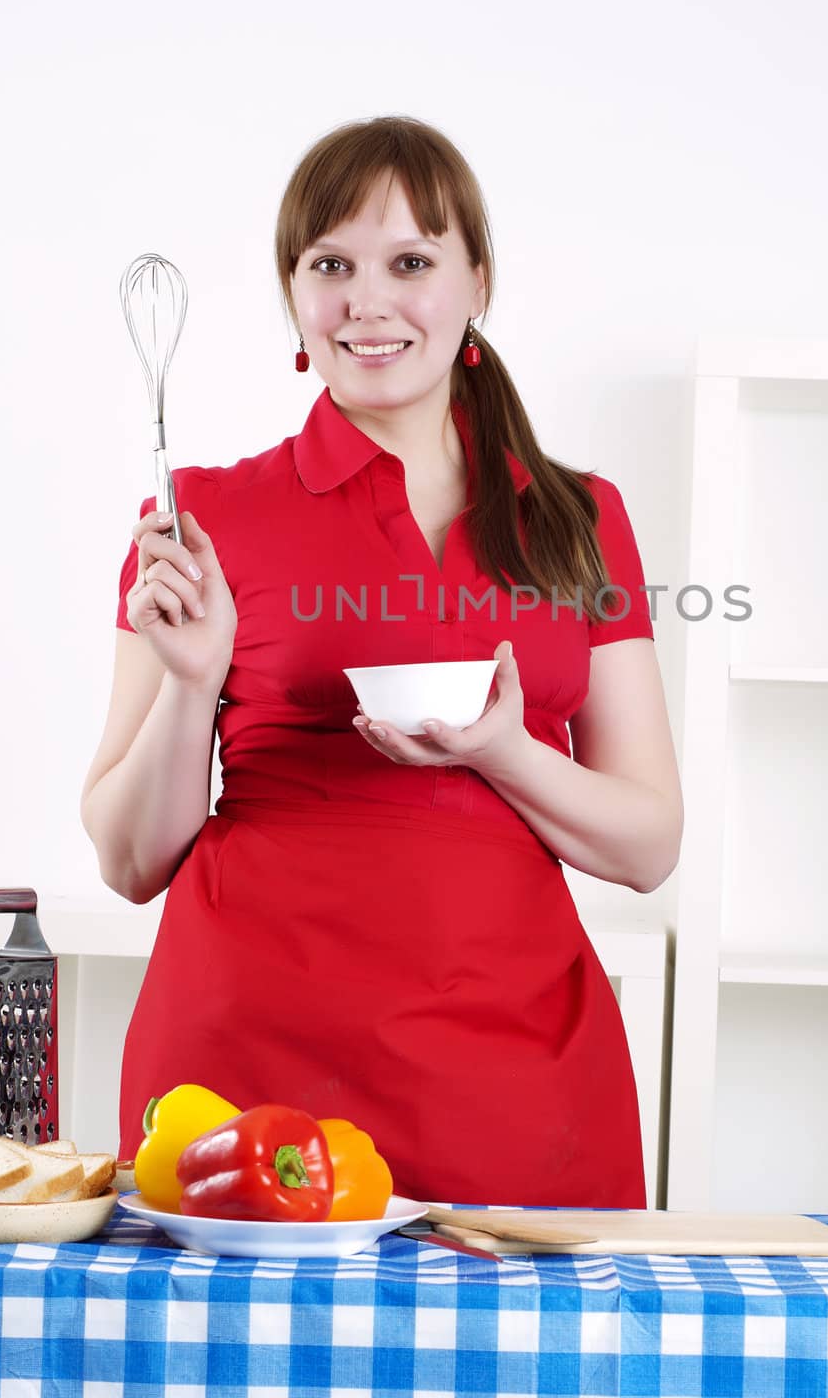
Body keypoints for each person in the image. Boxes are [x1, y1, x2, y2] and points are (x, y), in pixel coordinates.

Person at [80, 115, 684, 1206]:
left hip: (515, 1082)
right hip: (245, 1082)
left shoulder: (580, 520)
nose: (367, 300)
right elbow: (127, 860)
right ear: (294, 300)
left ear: (475, 286)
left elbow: (648, 842)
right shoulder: (198, 517)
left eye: (410, 261)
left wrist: (503, 753)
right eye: (330, 266)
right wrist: (188, 679)